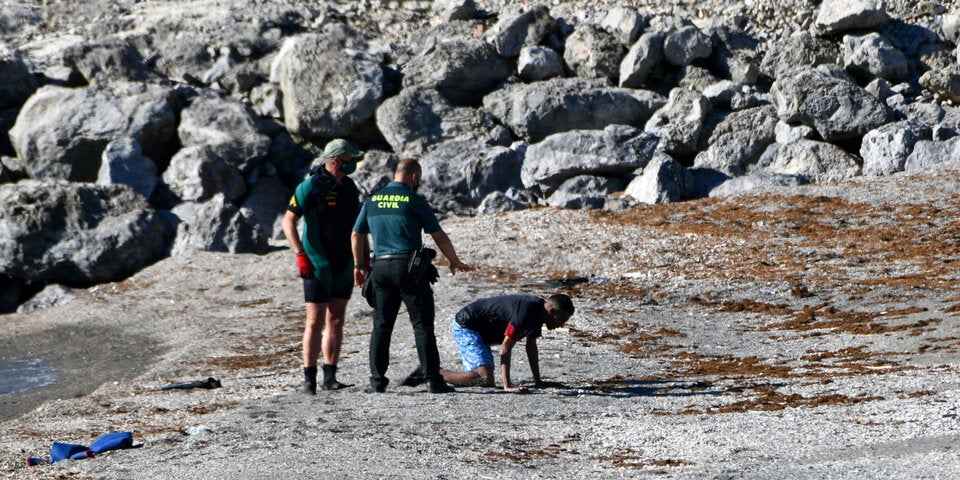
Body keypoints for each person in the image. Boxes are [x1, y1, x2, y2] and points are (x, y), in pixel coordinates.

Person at [350, 158, 472, 394]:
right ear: (415, 177)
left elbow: (356, 234)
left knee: (382, 325)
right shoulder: (414, 200)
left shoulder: (372, 200)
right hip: (408, 268)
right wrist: (453, 260)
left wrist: (359, 265)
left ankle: (377, 381)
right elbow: (438, 234)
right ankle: (433, 381)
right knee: (422, 325)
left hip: (380, 267)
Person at [282, 138, 367, 394]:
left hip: (344, 262)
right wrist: (300, 254)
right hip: (317, 263)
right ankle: (309, 379)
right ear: (337, 160)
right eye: (351, 158)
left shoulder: (350, 187)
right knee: (314, 321)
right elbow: (288, 222)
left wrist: (362, 260)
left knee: (336, 319)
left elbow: (359, 227)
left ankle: (330, 377)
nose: (354, 162)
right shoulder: (309, 186)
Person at [426, 293, 575, 392]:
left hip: (482, 332)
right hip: (467, 326)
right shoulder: (528, 312)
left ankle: (431, 372)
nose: (561, 325)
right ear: (551, 312)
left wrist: (538, 381)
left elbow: (531, 346)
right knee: (484, 378)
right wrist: (507, 386)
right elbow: (505, 348)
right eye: (562, 319)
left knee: (484, 378)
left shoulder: (539, 314)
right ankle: (431, 373)